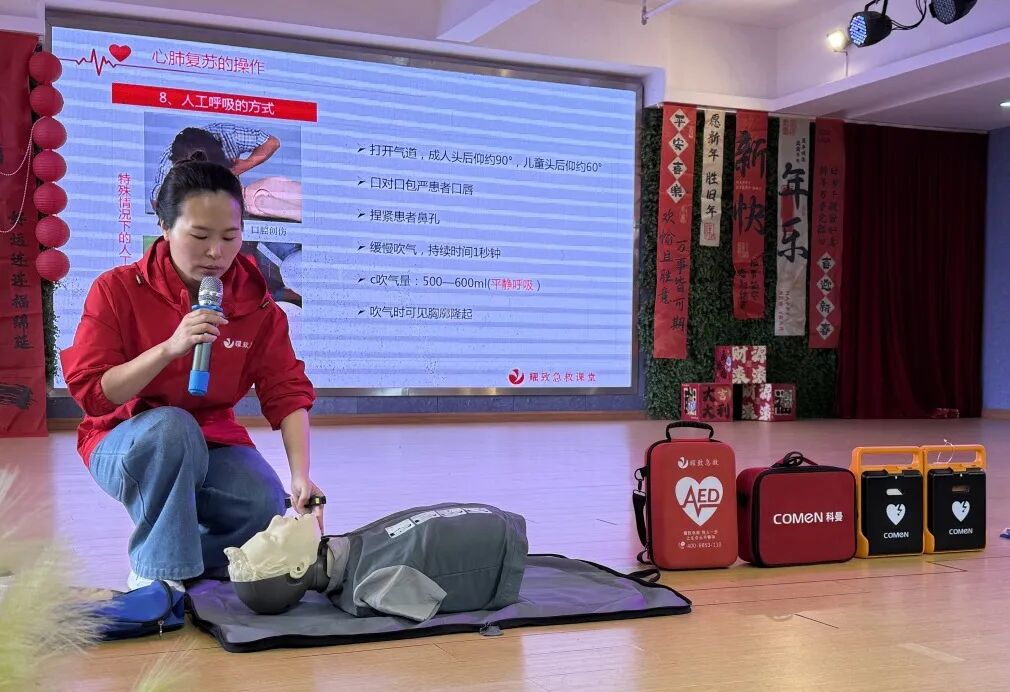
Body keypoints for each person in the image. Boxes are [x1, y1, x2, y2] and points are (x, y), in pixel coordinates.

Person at [61, 159, 322, 593]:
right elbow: (93, 394)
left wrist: (301, 475)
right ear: (164, 226)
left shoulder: (258, 307)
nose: (216, 252)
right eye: (200, 236)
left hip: (211, 438)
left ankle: (189, 559)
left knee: (262, 501)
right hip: (122, 439)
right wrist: (169, 348)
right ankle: (156, 577)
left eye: (230, 237)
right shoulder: (116, 289)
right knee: (172, 428)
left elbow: (287, 391)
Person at [225, 503, 528, 621]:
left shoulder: (349, 552)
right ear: (298, 568)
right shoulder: (369, 586)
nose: (276, 520)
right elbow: (426, 601)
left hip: (491, 520)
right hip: (500, 550)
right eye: (273, 537)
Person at [149, 123, 280, 209]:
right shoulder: (170, 162)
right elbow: (157, 200)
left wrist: (246, 164)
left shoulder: (228, 134)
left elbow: (271, 143)